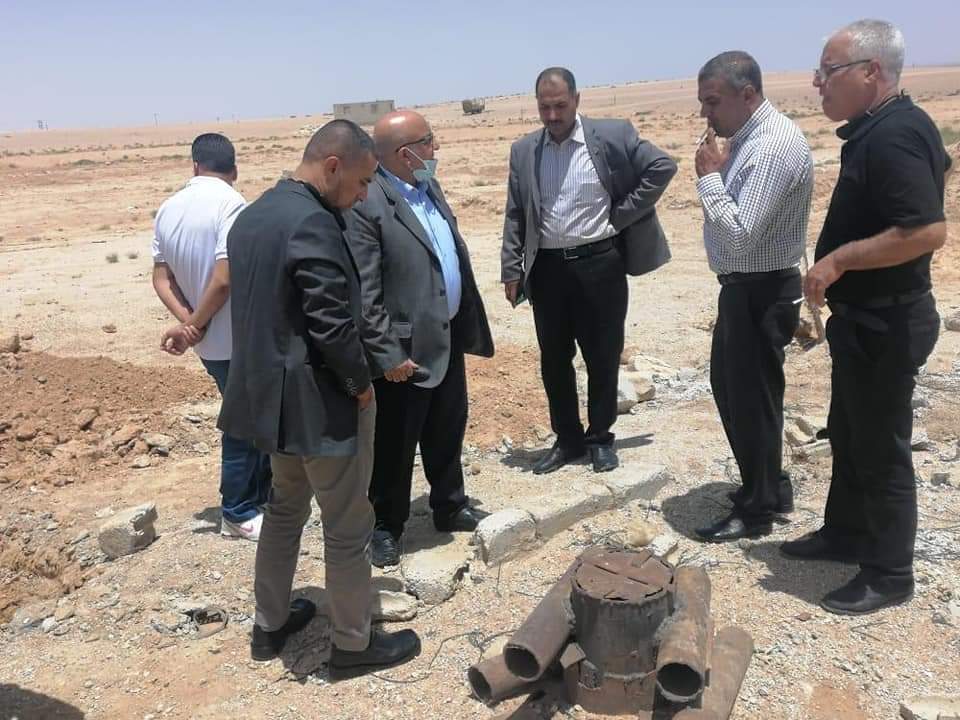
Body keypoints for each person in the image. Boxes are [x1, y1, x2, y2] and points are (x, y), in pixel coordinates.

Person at [219, 120, 420, 672]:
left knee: (284, 511)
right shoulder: (314, 221)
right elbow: (330, 325)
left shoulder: (252, 215)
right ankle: (353, 644)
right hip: (319, 407)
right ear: (333, 165)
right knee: (349, 525)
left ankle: (269, 626)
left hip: (271, 407)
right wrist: (360, 385)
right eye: (361, 182)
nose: (363, 196)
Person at [781, 20, 949, 615]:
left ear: (871, 71)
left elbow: (926, 231)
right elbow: (935, 176)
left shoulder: (895, 133)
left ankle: (890, 573)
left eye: (828, 71)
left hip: (888, 322)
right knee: (849, 433)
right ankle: (846, 534)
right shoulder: (883, 128)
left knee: (880, 447)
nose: (817, 82)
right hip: (865, 320)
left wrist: (838, 261)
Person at [501, 67, 677, 474]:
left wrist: (622, 215)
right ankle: (567, 440)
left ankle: (600, 438)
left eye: (560, 105)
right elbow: (515, 213)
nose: (552, 115)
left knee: (602, 355)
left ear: (577, 101)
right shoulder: (524, 150)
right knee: (554, 360)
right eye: (544, 107)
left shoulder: (613, 135)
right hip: (547, 270)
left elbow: (662, 167)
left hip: (600, 265)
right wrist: (511, 267)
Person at [347, 110, 494, 568]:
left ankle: (449, 505)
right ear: (404, 153)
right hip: (403, 353)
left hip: (444, 336)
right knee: (395, 443)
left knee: (447, 428)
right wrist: (387, 353)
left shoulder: (429, 186)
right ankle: (386, 526)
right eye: (428, 141)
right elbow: (365, 292)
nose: (436, 147)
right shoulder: (369, 201)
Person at [691, 52, 814, 542]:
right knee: (739, 391)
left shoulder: (771, 146)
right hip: (745, 288)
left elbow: (742, 234)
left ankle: (757, 509)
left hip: (761, 290)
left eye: (712, 101)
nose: (705, 113)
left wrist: (709, 179)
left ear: (747, 94)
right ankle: (770, 486)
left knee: (751, 400)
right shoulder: (745, 139)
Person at [151, 133, 271, 541]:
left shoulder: (168, 208)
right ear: (234, 169)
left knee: (251, 417)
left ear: (195, 165)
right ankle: (237, 511)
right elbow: (224, 279)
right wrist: (196, 324)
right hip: (237, 337)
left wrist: (189, 324)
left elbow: (162, 278)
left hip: (208, 344)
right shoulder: (231, 205)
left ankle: (261, 495)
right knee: (243, 423)